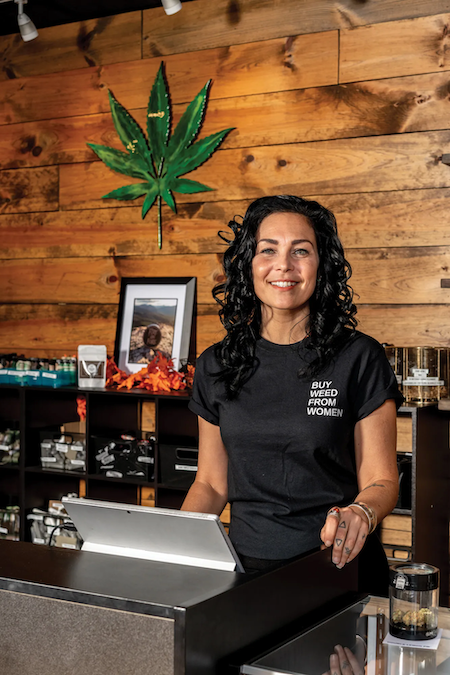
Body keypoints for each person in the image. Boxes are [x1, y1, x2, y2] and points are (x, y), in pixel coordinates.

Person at [182, 195, 403, 593]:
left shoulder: (359, 357)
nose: (284, 265)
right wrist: (174, 544)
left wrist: (361, 512)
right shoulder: (216, 364)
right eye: (268, 250)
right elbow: (211, 485)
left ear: (322, 264)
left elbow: (382, 479)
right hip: (244, 574)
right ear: (248, 264)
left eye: (301, 251)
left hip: (338, 568)